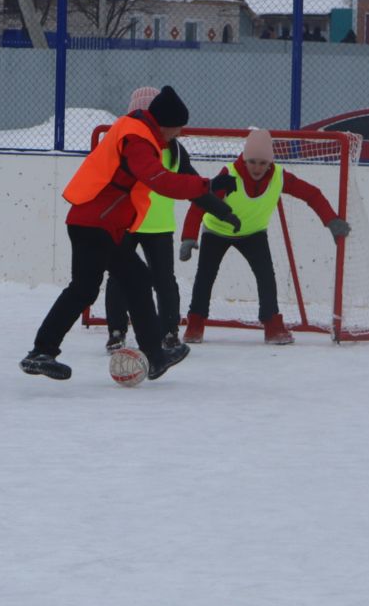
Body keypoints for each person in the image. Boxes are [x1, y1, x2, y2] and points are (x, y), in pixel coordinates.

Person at [22, 84, 236, 382]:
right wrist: (207, 186)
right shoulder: (137, 138)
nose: (179, 135)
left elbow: (175, 177)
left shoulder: (137, 131)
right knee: (126, 281)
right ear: (165, 123)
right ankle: (153, 356)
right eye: (177, 129)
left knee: (93, 286)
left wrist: (218, 206)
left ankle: (42, 352)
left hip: (93, 220)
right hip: (99, 223)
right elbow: (158, 179)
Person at [180, 127, 351, 345]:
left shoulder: (280, 177)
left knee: (266, 277)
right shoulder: (229, 176)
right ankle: (195, 325)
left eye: (263, 163)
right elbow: (200, 203)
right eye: (252, 161)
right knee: (205, 277)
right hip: (217, 231)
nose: (257, 167)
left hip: (253, 234)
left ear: (270, 161)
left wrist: (331, 220)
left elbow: (312, 194)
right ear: (244, 158)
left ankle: (272, 327)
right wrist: (188, 237)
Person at [102, 86, 198, 353]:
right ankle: (117, 331)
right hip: (126, 222)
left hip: (158, 225)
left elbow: (191, 181)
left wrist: (213, 196)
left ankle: (168, 331)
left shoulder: (175, 151)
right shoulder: (124, 142)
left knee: (163, 280)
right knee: (119, 277)